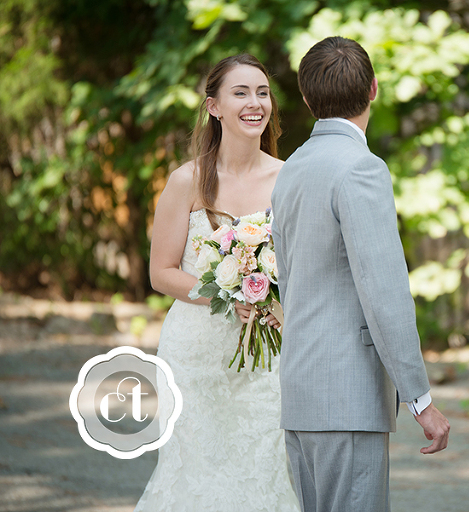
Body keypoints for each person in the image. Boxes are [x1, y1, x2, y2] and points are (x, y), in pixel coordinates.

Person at [270, 36, 450, 512]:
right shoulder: (361, 169)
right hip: (347, 396)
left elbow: (288, 281)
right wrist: (420, 400)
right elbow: (384, 292)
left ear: (307, 99)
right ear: (373, 89)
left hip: (301, 390)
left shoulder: (291, 169)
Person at [134, 54, 300, 512]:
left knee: (263, 467)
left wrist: (271, 297)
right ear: (214, 107)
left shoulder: (288, 180)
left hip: (266, 354)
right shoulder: (187, 180)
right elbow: (161, 272)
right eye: (241, 93)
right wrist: (224, 294)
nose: (255, 103)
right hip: (196, 355)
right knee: (194, 474)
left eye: (263, 93)